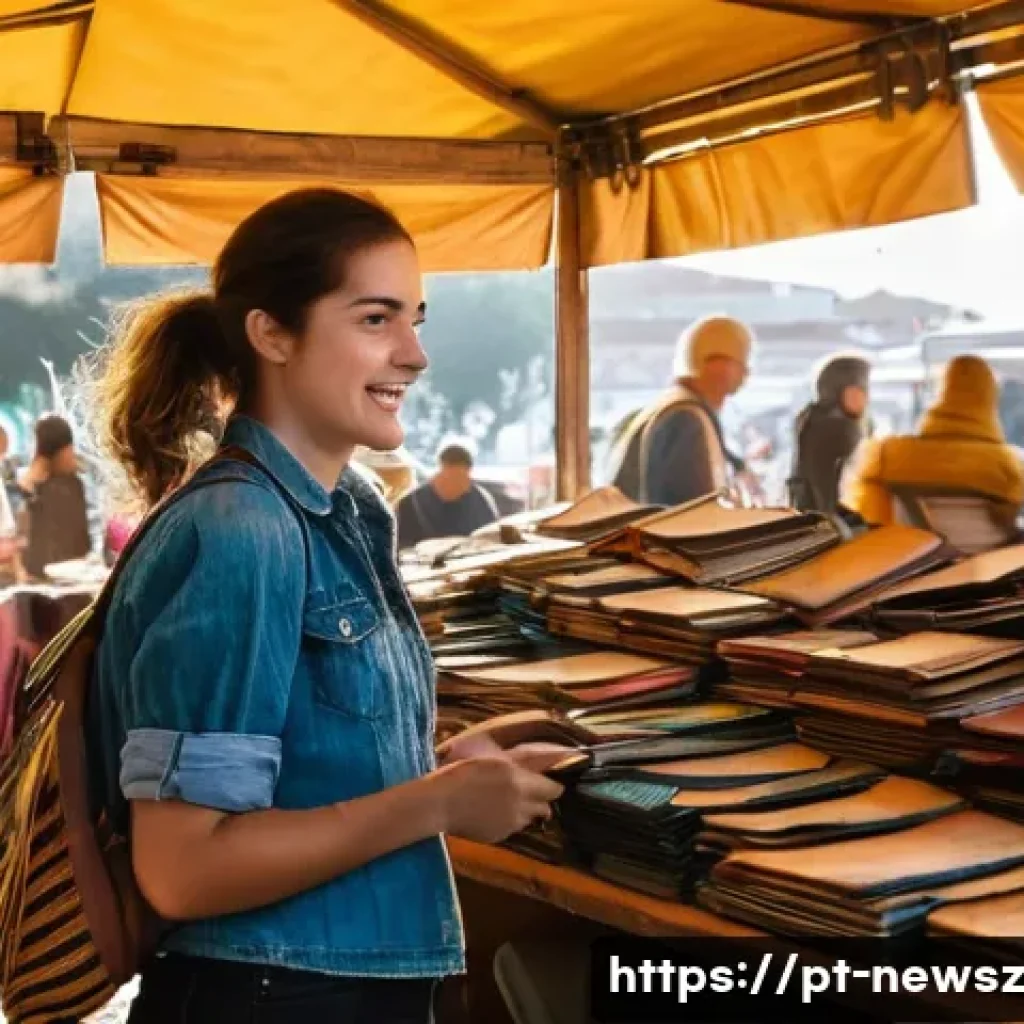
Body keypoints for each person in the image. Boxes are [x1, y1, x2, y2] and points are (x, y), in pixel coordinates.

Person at [87, 188, 565, 1024]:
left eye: (417, 319)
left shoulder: (349, 510)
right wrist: (439, 802)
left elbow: (303, 774)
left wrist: (445, 764)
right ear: (271, 333)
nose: (415, 355)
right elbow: (186, 867)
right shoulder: (240, 530)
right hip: (268, 994)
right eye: (376, 319)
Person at [844, 354, 1024, 524]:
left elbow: (870, 522)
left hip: (915, 553)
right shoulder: (1009, 467)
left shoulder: (886, 456)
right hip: (991, 557)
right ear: (991, 400)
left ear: (940, 392)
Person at [608, 314, 760, 506]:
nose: (746, 372)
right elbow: (692, 514)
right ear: (713, 361)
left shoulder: (670, 406)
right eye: (740, 360)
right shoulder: (685, 420)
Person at [789, 354, 871, 515]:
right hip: (835, 523)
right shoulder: (840, 428)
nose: (866, 398)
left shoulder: (811, 418)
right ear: (839, 390)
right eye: (861, 389)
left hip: (808, 517)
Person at [16, 413, 91, 580]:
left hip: (71, 575)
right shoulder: (31, 489)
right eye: (69, 448)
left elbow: (81, 539)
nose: (72, 454)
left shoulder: (72, 484)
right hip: (44, 578)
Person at [396, 440, 500, 549]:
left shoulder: (480, 499)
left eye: (460, 479)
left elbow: (492, 537)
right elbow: (402, 545)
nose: (455, 483)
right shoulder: (412, 502)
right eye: (450, 477)